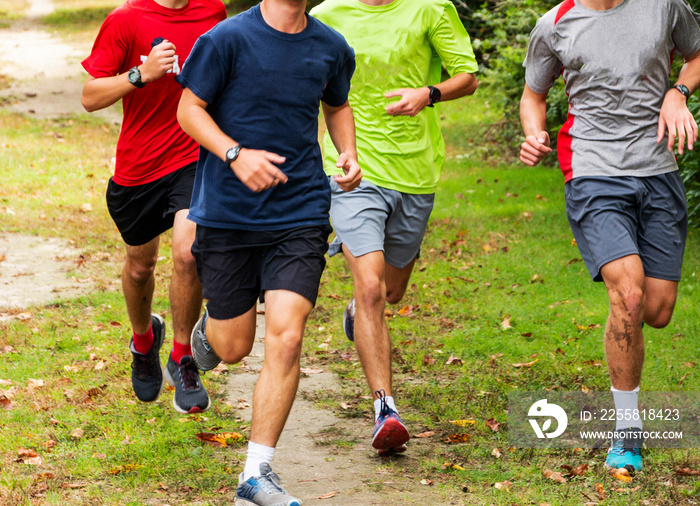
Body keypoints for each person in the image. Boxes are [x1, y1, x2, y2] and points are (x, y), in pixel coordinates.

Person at [175, 0, 360, 502]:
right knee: (233, 348)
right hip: (228, 216)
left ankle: (255, 474)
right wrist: (235, 154)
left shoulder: (330, 45)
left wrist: (348, 152)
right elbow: (188, 108)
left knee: (288, 336)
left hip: (299, 212)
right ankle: (212, 328)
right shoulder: (226, 40)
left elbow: (337, 104)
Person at [519, 0, 700, 472]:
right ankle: (626, 431)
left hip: (658, 169)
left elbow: (698, 53)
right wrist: (534, 132)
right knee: (630, 294)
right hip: (591, 169)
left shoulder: (663, 7)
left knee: (656, 311)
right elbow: (533, 94)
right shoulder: (554, 25)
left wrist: (679, 90)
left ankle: (626, 338)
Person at [310, 0, 478, 455]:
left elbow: (467, 77)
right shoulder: (327, 14)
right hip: (353, 171)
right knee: (370, 289)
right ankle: (385, 408)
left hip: (416, 173)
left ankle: (357, 313)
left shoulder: (431, 9)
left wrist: (430, 93)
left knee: (390, 291)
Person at [81, 0, 226, 413]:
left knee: (187, 251)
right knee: (140, 266)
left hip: (191, 158)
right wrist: (141, 74)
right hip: (139, 168)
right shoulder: (126, 19)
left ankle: (183, 358)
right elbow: (90, 97)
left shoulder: (213, 12)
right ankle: (143, 341)